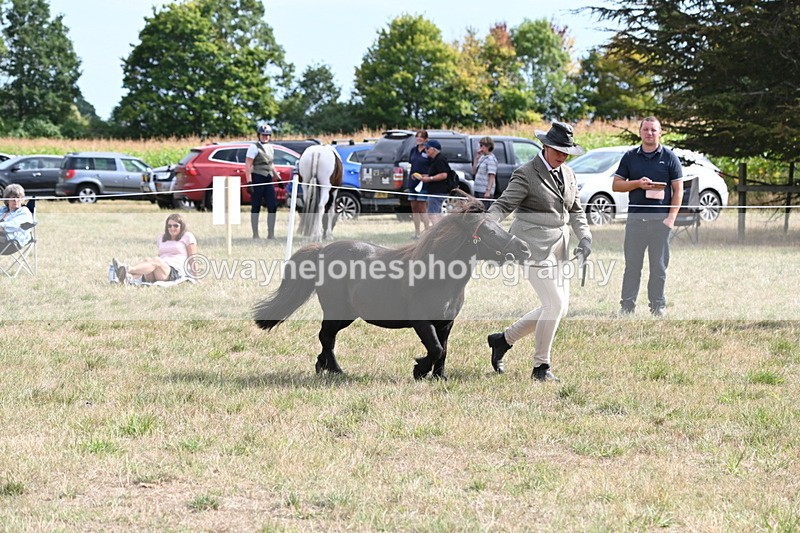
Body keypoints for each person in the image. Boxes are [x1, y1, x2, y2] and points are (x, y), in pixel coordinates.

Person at [486, 122, 592, 382]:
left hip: (559, 247)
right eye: (558, 150)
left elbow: (575, 209)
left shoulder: (568, 173)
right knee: (554, 305)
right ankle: (541, 367)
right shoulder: (526, 173)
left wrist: (585, 236)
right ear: (545, 146)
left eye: (567, 152)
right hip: (530, 247)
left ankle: (503, 340)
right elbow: (504, 204)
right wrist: (485, 224)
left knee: (557, 308)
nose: (563, 156)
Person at [612, 116, 684, 317]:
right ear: (640, 132)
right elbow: (616, 185)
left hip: (660, 223)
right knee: (632, 267)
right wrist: (637, 183)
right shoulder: (630, 157)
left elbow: (678, 190)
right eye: (646, 129)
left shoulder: (669, 157)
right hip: (636, 222)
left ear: (660, 132)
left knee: (658, 268)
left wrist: (670, 219)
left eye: (653, 130)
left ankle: (657, 306)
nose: (649, 133)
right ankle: (627, 306)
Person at [112, 213, 198, 284]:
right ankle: (126, 278)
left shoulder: (187, 236)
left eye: (176, 226)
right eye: (169, 226)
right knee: (147, 260)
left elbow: (192, 258)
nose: (172, 228)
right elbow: (161, 256)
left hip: (174, 272)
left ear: (182, 226)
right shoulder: (161, 238)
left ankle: (127, 269)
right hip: (160, 270)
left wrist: (196, 277)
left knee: (156, 260)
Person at [245, 123, 278, 240]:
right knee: (256, 206)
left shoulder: (270, 147)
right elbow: (248, 165)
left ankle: (271, 233)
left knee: (272, 206)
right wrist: (249, 182)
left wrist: (278, 177)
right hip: (257, 178)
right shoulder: (253, 147)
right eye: (263, 135)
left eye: (267, 135)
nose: (265, 137)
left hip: (268, 178)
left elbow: (271, 164)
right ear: (259, 135)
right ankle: (255, 234)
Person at [417, 139, 452, 225]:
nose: (426, 150)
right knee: (437, 213)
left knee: (433, 214)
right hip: (434, 190)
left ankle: (438, 230)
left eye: (427, 148)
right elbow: (436, 173)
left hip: (438, 191)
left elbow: (443, 175)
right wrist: (424, 176)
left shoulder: (440, 159)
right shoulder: (434, 159)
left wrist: (430, 179)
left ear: (434, 149)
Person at [407, 130, 432, 239]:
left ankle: (427, 232)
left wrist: (425, 176)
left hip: (423, 182)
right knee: (414, 208)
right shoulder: (413, 150)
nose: (419, 139)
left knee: (422, 208)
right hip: (413, 182)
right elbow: (411, 164)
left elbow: (432, 167)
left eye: (421, 137)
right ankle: (417, 232)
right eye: (417, 137)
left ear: (426, 139)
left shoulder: (428, 150)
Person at [0, 184, 33, 252]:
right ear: (7, 199)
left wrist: (1, 226)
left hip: (11, 242)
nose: (16, 200)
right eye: (13, 198)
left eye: (18, 197)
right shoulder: (2, 209)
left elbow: (15, 225)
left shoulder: (24, 211)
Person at [472, 136, 498, 210]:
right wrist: (477, 158)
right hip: (477, 189)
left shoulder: (491, 159)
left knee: (484, 210)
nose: (480, 148)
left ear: (488, 146)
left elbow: (492, 176)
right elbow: (473, 171)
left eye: (481, 145)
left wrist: (488, 191)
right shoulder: (482, 157)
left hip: (484, 190)